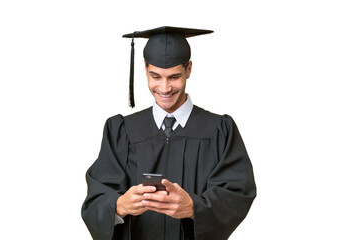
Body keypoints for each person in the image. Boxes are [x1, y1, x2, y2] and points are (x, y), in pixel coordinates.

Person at [81, 26, 256, 240]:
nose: (164, 88)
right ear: (145, 69)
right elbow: (97, 196)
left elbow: (237, 193)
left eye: (174, 77)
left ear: (188, 69)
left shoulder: (219, 130)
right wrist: (119, 206)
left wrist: (194, 208)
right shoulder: (121, 131)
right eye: (156, 76)